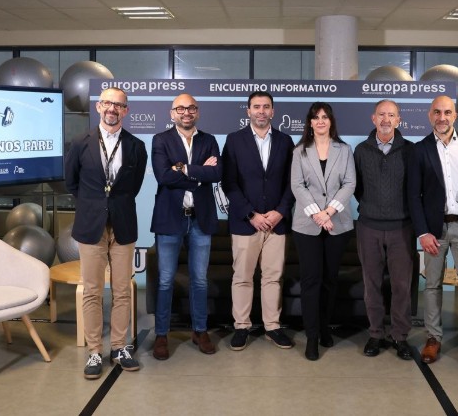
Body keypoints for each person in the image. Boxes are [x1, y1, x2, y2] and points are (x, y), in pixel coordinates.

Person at [65, 87, 147, 379]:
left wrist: (113, 205)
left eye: (119, 105)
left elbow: (133, 186)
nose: (113, 109)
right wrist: (95, 205)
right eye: (108, 103)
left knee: (122, 290)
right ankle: (94, 351)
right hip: (91, 226)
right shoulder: (80, 143)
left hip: (123, 225)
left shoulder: (136, 146)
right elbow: (72, 182)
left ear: (126, 110)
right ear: (99, 107)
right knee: (92, 291)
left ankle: (119, 347)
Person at [407, 95, 458, 375]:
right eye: (437, 112)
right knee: (432, 285)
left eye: (447, 112)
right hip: (434, 229)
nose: (442, 117)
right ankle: (433, 338)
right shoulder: (419, 150)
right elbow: (413, 196)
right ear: (430, 115)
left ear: (455, 115)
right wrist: (422, 232)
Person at [150, 93, 222, 360]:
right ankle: (161, 334)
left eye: (191, 108)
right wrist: (199, 173)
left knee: (200, 280)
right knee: (165, 280)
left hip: (200, 219)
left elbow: (217, 173)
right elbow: (163, 176)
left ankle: (199, 331)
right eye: (180, 108)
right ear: (172, 113)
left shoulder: (209, 140)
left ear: (197, 112)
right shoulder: (161, 140)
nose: (186, 112)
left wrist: (182, 168)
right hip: (170, 218)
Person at [221, 91, 295, 351]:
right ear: (248, 111)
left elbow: (292, 182)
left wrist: (280, 212)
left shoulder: (286, 141)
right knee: (242, 277)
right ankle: (241, 326)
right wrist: (251, 214)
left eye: (266, 107)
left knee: (273, 278)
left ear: (273, 111)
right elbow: (229, 183)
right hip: (245, 223)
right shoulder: (234, 140)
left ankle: (272, 327)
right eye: (256, 107)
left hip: (277, 223)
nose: (261, 111)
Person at [290, 102, 356, 361]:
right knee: (311, 280)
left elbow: (349, 183)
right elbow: (297, 185)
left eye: (325, 117)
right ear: (310, 122)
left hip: (337, 224)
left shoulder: (344, 150)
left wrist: (328, 212)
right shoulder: (300, 151)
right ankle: (312, 336)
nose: (320, 121)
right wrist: (317, 214)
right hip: (307, 226)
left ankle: (325, 327)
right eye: (316, 117)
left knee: (330, 280)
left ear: (331, 121)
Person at [354, 99, 415, 361]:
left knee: (401, 285)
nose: (386, 119)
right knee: (372, 284)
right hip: (369, 227)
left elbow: (415, 188)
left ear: (399, 120)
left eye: (391, 115)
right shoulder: (361, 150)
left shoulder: (411, 151)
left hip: (402, 227)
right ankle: (376, 334)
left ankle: (400, 336)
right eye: (381, 114)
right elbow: (356, 187)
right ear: (373, 118)